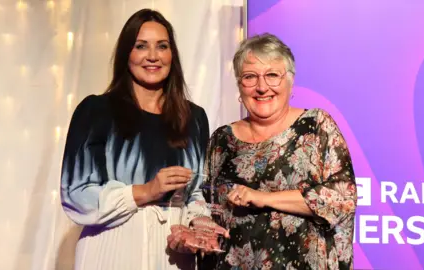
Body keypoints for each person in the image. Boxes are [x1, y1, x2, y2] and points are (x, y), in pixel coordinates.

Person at [60, 9, 224, 270]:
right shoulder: (96, 111)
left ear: (172, 55)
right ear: (127, 54)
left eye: (162, 46)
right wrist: (146, 191)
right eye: (141, 46)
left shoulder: (193, 118)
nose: (153, 56)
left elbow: (197, 194)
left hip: (174, 256)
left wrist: (197, 226)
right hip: (111, 249)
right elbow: (76, 195)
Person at [200, 33, 357, 269]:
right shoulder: (222, 139)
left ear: (290, 82)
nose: (262, 87)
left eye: (272, 75)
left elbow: (341, 198)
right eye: (250, 77)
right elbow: (207, 206)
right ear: (239, 86)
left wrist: (263, 198)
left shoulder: (316, 126)